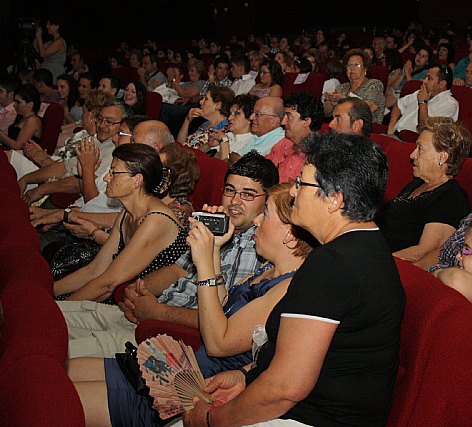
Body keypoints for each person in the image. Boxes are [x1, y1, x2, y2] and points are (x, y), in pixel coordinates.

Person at [182, 131, 405, 427]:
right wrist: (247, 376)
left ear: (334, 200)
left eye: (302, 183)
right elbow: (319, 359)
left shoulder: (333, 264)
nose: (293, 192)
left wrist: (212, 421)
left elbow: (286, 388)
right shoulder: (369, 246)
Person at [66, 182, 316, 427]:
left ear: (289, 234)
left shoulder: (287, 289)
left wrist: (203, 263)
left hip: (192, 395)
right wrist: (214, 249)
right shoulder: (269, 270)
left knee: (57, 399)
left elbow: (218, 343)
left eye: (266, 214)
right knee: (61, 371)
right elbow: (222, 308)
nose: (258, 221)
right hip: (177, 373)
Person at [58, 151, 278, 359]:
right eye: (229, 191)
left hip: (167, 338)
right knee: (52, 315)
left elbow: (226, 318)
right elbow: (176, 270)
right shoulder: (215, 224)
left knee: (56, 347)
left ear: (268, 200)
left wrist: (158, 312)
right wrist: (136, 292)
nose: (235, 201)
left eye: (247, 195)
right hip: (145, 314)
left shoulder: (259, 248)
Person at [52, 144, 188, 302]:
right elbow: (95, 270)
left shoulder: (156, 220)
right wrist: (49, 290)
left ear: (137, 180)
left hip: (154, 305)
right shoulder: (126, 213)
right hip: (127, 298)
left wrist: (57, 309)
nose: (106, 178)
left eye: (113, 172)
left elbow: (107, 284)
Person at [376, 117, 471, 261]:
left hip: (390, 263)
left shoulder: (451, 197)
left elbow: (426, 251)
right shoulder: (416, 184)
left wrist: (378, 260)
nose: (412, 155)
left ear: (442, 157)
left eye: (420, 149)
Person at [267, 92, 323, 182]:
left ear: (306, 121)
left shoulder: (321, 156)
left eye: (288, 116)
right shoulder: (284, 143)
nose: (283, 122)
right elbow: (263, 171)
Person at [387, 64, 458, 135]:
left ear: (442, 84)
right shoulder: (420, 92)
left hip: (412, 140)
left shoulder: (450, 104)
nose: (424, 81)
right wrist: (391, 126)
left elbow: (425, 128)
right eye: (425, 77)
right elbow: (399, 104)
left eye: (429, 78)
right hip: (394, 134)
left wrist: (423, 102)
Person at [323, 49, 385, 123]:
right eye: (349, 65)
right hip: (341, 126)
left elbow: (368, 108)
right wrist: (331, 102)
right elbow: (325, 113)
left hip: (366, 126)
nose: (352, 68)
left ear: (365, 68)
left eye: (357, 65)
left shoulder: (374, 85)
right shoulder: (341, 88)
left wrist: (343, 99)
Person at [178, 86, 233, 150]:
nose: (200, 102)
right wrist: (187, 120)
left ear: (218, 105)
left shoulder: (225, 129)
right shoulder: (206, 124)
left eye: (206, 99)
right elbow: (180, 145)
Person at [0, 84, 42, 150]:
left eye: (18, 102)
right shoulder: (21, 117)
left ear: (30, 105)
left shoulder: (33, 120)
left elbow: (18, 146)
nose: (14, 105)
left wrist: (1, 134)